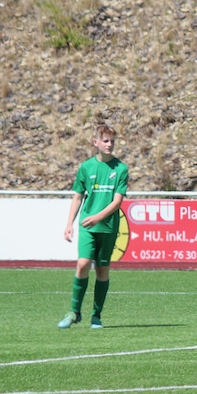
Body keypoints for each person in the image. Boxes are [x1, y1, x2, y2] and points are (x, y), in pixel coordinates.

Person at [57, 123, 129, 329]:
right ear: (95, 142)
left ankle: (96, 316)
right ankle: (74, 312)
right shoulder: (86, 167)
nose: (109, 144)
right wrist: (69, 224)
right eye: (105, 141)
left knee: (102, 270)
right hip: (88, 226)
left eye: (112, 141)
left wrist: (98, 217)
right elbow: (78, 196)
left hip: (107, 227)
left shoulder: (121, 169)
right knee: (82, 264)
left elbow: (117, 202)